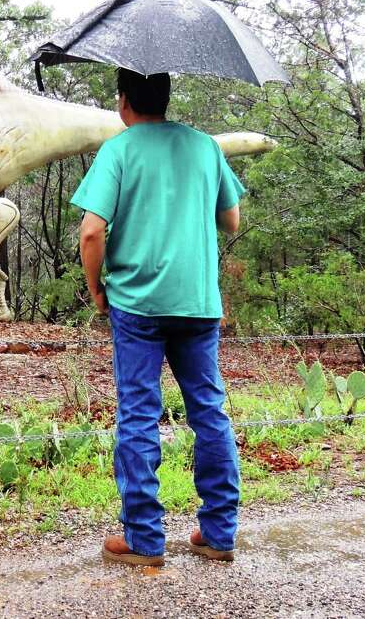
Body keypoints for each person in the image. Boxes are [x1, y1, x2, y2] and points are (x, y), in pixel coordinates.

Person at [71, 68, 244, 567]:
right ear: (167, 97)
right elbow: (231, 219)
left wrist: (96, 289)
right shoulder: (205, 147)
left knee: (140, 414)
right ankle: (219, 534)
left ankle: (145, 540)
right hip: (197, 302)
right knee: (209, 411)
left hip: (137, 305)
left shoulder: (119, 150)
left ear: (124, 101)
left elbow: (91, 232)